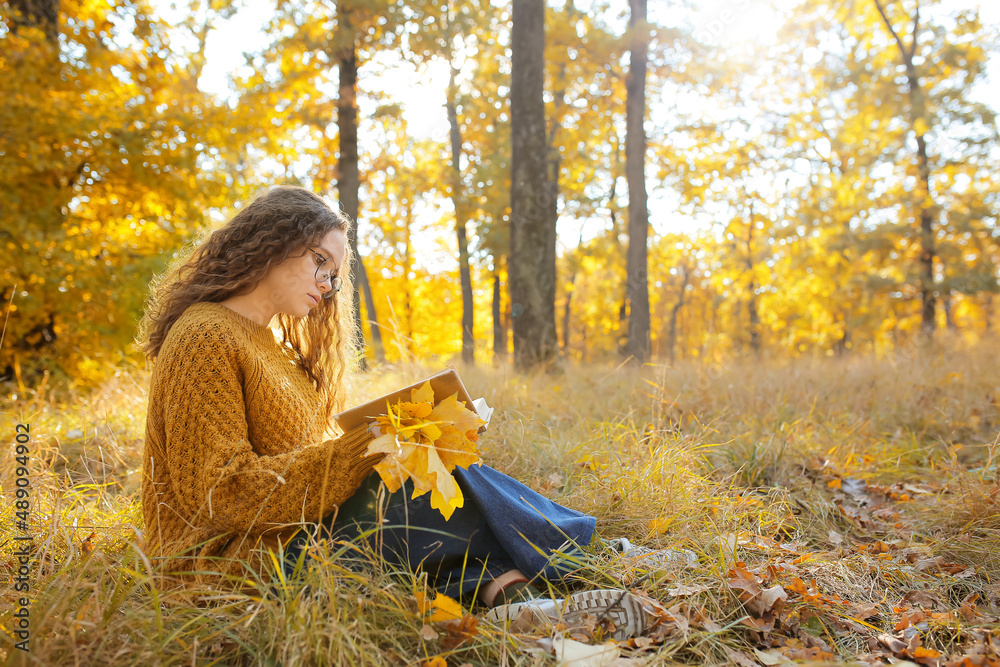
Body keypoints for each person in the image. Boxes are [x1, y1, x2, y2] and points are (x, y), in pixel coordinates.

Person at [136, 186, 679, 640]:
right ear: (271, 244)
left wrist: (394, 439)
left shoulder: (273, 349)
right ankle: (590, 559)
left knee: (425, 465)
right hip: (232, 566)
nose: (326, 285)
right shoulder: (205, 335)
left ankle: (518, 599)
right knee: (406, 476)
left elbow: (302, 470)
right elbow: (220, 495)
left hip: (289, 539)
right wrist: (372, 442)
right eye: (319, 262)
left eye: (334, 274)